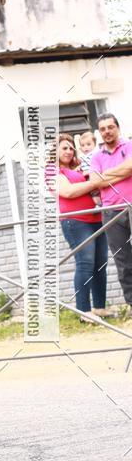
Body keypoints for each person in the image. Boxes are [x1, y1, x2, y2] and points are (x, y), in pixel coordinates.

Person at [52, 134, 109, 321]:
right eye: (64, 148)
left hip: (96, 219)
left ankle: (99, 308)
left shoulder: (79, 168)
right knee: (85, 264)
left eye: (70, 148)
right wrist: (93, 182)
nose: (68, 151)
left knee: (100, 264)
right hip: (75, 222)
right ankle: (84, 312)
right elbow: (67, 191)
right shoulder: (54, 172)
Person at [88, 113, 132, 315]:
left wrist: (106, 175)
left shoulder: (129, 146)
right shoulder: (96, 156)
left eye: (110, 127)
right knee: (123, 262)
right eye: (103, 128)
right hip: (111, 212)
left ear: (118, 128)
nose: (107, 131)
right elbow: (95, 182)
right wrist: (122, 171)